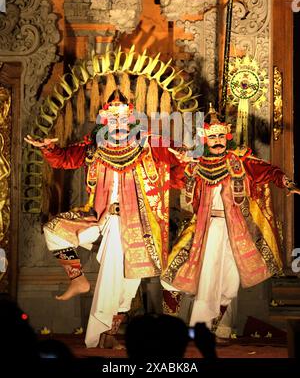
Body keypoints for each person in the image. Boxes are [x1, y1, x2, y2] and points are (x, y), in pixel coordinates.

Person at [25, 90, 181, 348]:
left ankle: (108, 335)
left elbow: (177, 161)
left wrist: (187, 160)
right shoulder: (95, 145)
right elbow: (65, 159)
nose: (117, 125)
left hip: (139, 225)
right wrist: (50, 149)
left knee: (128, 286)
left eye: (122, 119)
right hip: (103, 219)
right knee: (54, 231)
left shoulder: (150, 144)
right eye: (112, 119)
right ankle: (78, 281)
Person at [161, 103, 300, 334]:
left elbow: (265, 170)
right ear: (205, 140)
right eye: (212, 137)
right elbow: (174, 179)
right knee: (184, 277)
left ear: (227, 137)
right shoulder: (196, 165)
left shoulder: (239, 161)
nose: (217, 141)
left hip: (235, 232)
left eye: (220, 136)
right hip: (204, 229)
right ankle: (186, 329)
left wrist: (285, 181)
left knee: (230, 285)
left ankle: (212, 328)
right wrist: (182, 161)